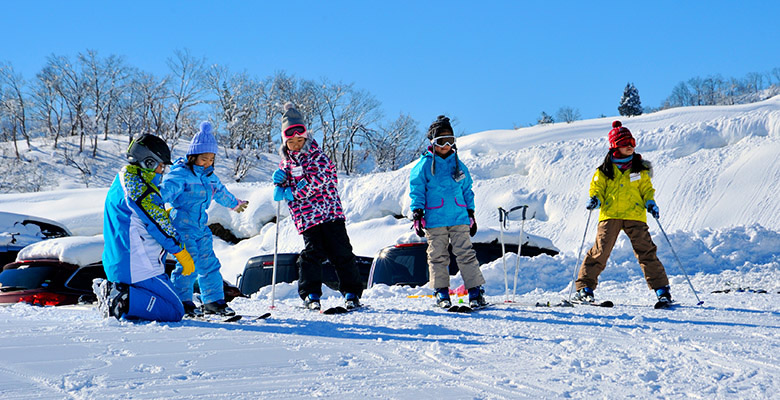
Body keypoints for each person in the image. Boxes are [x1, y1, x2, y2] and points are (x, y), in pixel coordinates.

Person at [272, 102, 363, 310]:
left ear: (306, 137)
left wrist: (293, 192)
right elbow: (287, 186)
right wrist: (280, 183)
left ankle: (351, 291)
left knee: (341, 252)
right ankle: (310, 293)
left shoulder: (317, 156)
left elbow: (317, 180)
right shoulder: (286, 163)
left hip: (329, 213)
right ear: (285, 142)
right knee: (312, 254)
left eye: (299, 139)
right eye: (291, 141)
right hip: (308, 218)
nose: (296, 144)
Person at [97, 133, 194, 322]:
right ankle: (121, 297)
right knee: (175, 310)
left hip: (125, 263)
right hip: (138, 266)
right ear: (148, 162)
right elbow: (159, 224)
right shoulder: (140, 189)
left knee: (169, 303)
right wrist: (181, 252)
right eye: (160, 165)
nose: (162, 171)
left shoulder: (125, 180)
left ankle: (121, 297)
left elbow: (143, 218)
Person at [575, 120, 672, 304]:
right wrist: (595, 199)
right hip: (610, 215)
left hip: (635, 215)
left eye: (632, 143)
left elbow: (646, 189)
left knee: (646, 251)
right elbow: (597, 189)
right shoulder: (604, 171)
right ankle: (584, 287)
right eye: (625, 143)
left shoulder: (640, 169)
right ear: (615, 146)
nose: (630, 147)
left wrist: (650, 202)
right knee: (600, 251)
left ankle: (662, 289)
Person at [161, 121, 248, 317]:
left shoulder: (209, 177)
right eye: (203, 159)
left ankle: (213, 301)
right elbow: (165, 192)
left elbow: (221, 192)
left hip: (200, 227)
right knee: (187, 265)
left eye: (211, 159)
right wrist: (154, 200)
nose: (207, 163)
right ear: (192, 156)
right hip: (182, 227)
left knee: (209, 265)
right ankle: (182, 302)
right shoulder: (181, 174)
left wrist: (235, 203)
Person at [409, 115, 487, 309]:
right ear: (432, 142)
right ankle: (441, 291)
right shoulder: (424, 165)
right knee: (437, 256)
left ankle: (475, 291)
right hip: (435, 219)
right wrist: (418, 213)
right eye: (441, 141)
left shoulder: (459, 165)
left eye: (450, 141)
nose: (446, 146)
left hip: (459, 216)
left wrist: (470, 213)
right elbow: (417, 190)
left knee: (466, 253)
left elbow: (467, 190)